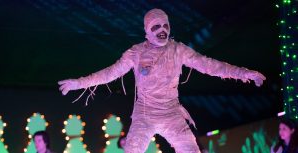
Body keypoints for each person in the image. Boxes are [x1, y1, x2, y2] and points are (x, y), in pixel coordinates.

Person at [58, 8, 266, 153]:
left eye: (165, 25)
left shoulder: (178, 50)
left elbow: (210, 65)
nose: (162, 30)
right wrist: (79, 83)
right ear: (147, 31)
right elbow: (110, 73)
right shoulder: (136, 52)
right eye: (156, 26)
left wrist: (245, 73)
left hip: (172, 113)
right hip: (144, 113)